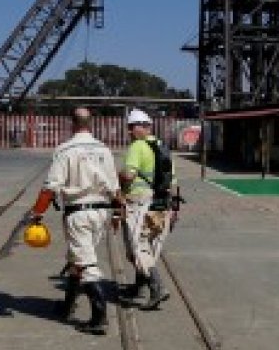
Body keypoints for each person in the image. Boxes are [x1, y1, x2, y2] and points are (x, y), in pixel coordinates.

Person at [27, 107, 122, 335]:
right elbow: (115, 187)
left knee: (86, 265)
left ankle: (99, 318)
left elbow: (50, 187)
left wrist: (37, 214)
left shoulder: (65, 150)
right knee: (76, 259)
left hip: (79, 214)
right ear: (91, 124)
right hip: (101, 213)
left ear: (72, 123)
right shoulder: (104, 149)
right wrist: (118, 214)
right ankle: (67, 306)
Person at [120, 108, 181, 310]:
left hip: (139, 202)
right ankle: (139, 288)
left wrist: (117, 177)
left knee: (137, 246)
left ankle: (157, 288)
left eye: (132, 127)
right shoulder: (162, 147)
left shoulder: (137, 146)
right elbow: (173, 181)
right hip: (162, 203)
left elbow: (129, 176)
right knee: (150, 244)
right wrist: (174, 208)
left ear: (143, 127)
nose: (129, 131)